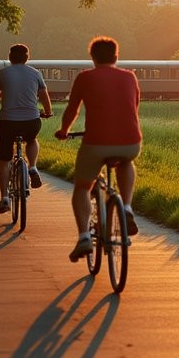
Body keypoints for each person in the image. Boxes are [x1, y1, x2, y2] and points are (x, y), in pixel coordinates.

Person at [55, 36, 142, 262]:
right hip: (130, 142)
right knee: (126, 162)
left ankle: (84, 236)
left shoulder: (85, 78)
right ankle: (128, 208)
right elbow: (134, 105)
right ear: (116, 56)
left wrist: (64, 130)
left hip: (96, 143)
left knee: (82, 187)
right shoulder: (130, 77)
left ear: (92, 57)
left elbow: (72, 109)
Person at [0, 44, 53, 213]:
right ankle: (33, 167)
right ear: (27, 58)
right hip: (31, 120)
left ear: (10, 58)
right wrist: (48, 112)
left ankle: (5, 198)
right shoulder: (36, 73)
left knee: (4, 159)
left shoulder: (2, 74)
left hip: (8, 122)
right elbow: (45, 97)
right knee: (31, 139)